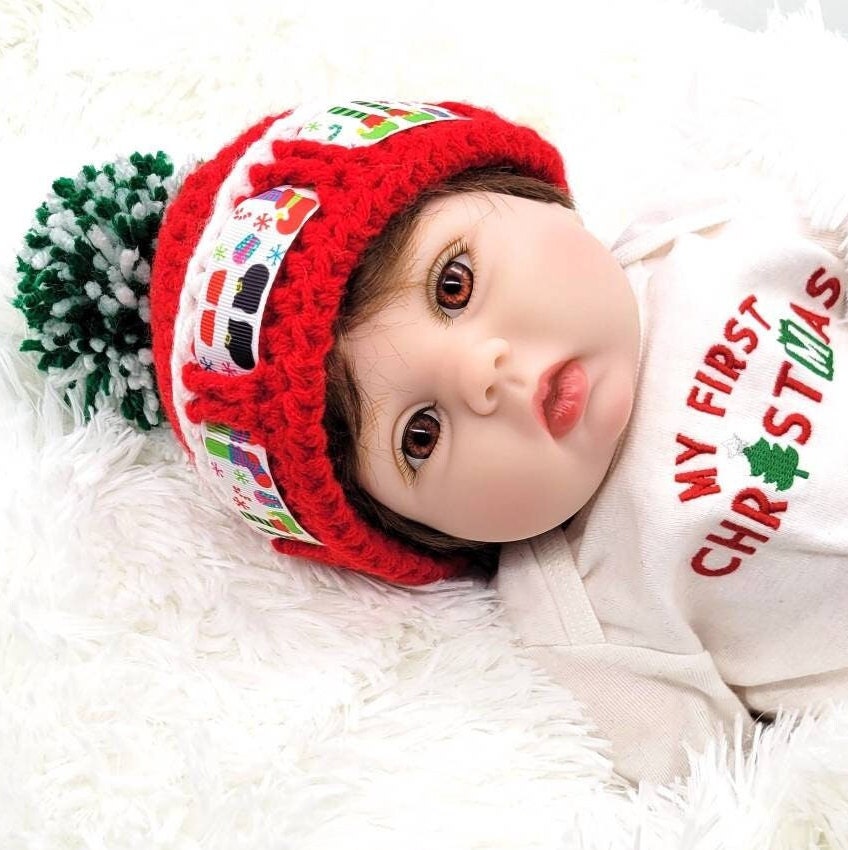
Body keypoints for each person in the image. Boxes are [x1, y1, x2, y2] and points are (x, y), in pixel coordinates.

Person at [14, 99, 848, 785]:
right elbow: (732, 786)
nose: (482, 376)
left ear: (523, 191)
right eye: (421, 433)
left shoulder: (700, 234)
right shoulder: (580, 612)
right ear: (426, 535)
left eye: (454, 284)